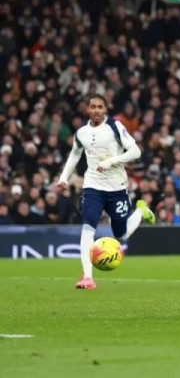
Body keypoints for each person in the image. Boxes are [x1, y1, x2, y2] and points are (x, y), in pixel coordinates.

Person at [56, 95, 155, 290]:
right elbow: (75, 154)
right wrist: (64, 177)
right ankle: (87, 277)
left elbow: (135, 151)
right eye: (92, 107)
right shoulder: (82, 132)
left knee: (122, 234)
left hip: (117, 187)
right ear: (87, 109)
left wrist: (111, 161)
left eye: (100, 107)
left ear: (105, 109)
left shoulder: (114, 127)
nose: (96, 110)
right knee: (88, 226)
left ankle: (141, 211)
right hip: (93, 186)